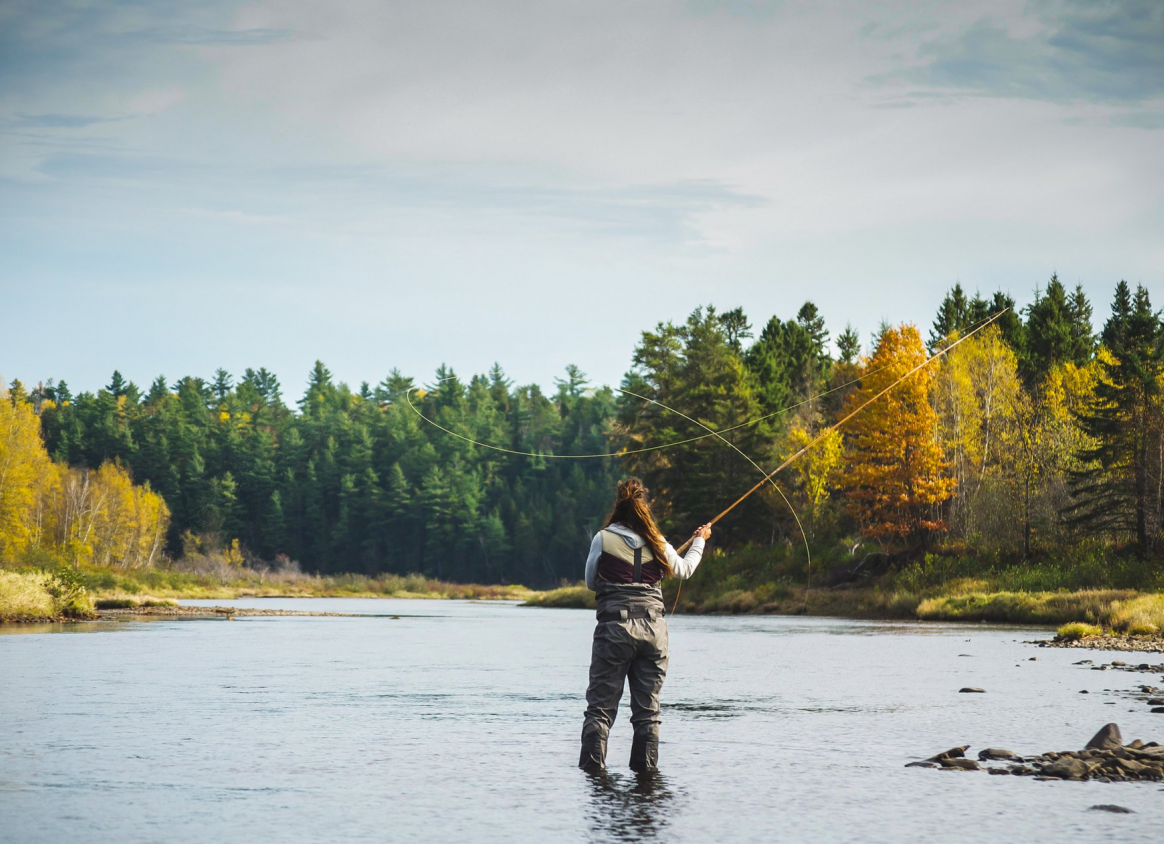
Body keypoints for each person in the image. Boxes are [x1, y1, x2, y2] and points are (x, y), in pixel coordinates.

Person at [579, 477, 712, 774]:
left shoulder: (603, 538)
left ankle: (593, 777)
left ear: (618, 505)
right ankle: (646, 778)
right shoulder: (658, 541)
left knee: (600, 710)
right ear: (643, 507)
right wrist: (700, 540)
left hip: (615, 629)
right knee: (648, 713)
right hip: (654, 632)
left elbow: (590, 582)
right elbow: (685, 570)